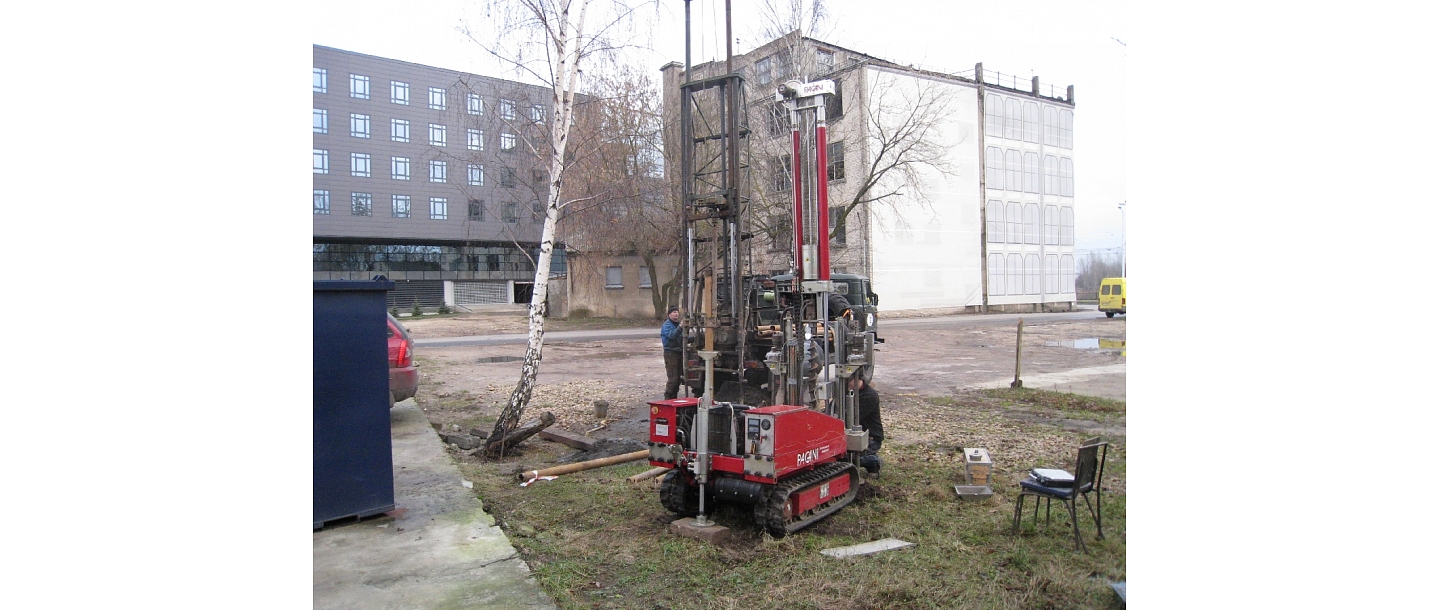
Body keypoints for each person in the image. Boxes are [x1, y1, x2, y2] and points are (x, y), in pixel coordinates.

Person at [849, 375, 884, 474]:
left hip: (871, 438)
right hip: (855, 434)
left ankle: (873, 461)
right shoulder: (850, 392)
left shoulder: (869, 396)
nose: (847, 385)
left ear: (857, 379)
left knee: (847, 460)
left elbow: (853, 417)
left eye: (848, 382)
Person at [661, 306, 684, 400]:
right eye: (674, 312)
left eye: (677, 312)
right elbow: (672, 335)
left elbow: (682, 338)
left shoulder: (676, 324)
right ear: (669, 314)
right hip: (671, 353)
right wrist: (681, 327)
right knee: (673, 379)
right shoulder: (667, 325)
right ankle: (668, 399)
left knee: (678, 379)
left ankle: (673, 399)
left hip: (678, 352)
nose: (676, 314)